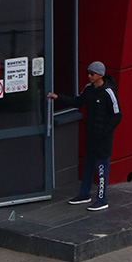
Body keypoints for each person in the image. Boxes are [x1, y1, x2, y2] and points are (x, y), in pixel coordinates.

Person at [48, 62, 122, 211]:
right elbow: (78, 102)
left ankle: (102, 199)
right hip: (91, 137)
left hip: (103, 139)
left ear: (100, 75)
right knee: (87, 166)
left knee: (101, 169)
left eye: (92, 74)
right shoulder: (89, 90)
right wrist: (58, 97)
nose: (89, 76)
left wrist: (105, 132)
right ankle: (84, 194)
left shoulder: (109, 93)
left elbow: (117, 115)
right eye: (88, 73)